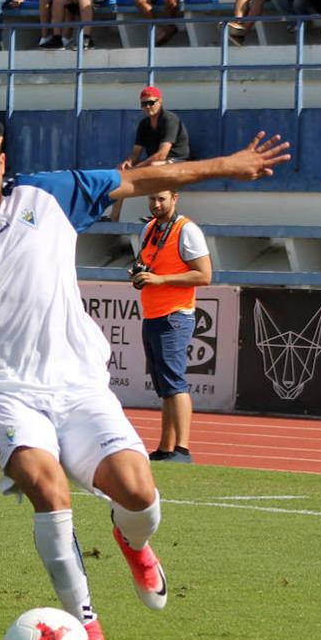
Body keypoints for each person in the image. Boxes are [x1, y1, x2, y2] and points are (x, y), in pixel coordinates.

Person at [0, 115, 289, 640]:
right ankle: (85, 625)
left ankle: (133, 542)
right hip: (8, 393)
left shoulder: (48, 196)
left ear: (2, 160)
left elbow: (139, 181)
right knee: (49, 492)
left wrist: (230, 165)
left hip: (79, 385)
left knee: (140, 495)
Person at [131, 189, 210, 462]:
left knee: (175, 383)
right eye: (151, 198)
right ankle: (166, 447)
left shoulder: (187, 230)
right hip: (153, 313)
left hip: (175, 315)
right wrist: (141, 276)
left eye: (161, 198)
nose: (155, 203)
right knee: (164, 385)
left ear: (175, 198)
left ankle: (183, 449)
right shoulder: (149, 229)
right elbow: (151, 265)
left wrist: (160, 280)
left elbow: (204, 275)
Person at [109, 86, 189, 221]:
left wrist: (137, 168)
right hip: (155, 162)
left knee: (156, 165)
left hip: (178, 161)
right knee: (120, 172)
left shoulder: (169, 120)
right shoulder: (144, 124)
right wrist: (127, 163)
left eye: (151, 102)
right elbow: (135, 153)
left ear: (160, 101)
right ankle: (113, 217)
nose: (147, 106)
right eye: (144, 104)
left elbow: (162, 154)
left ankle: (159, 215)